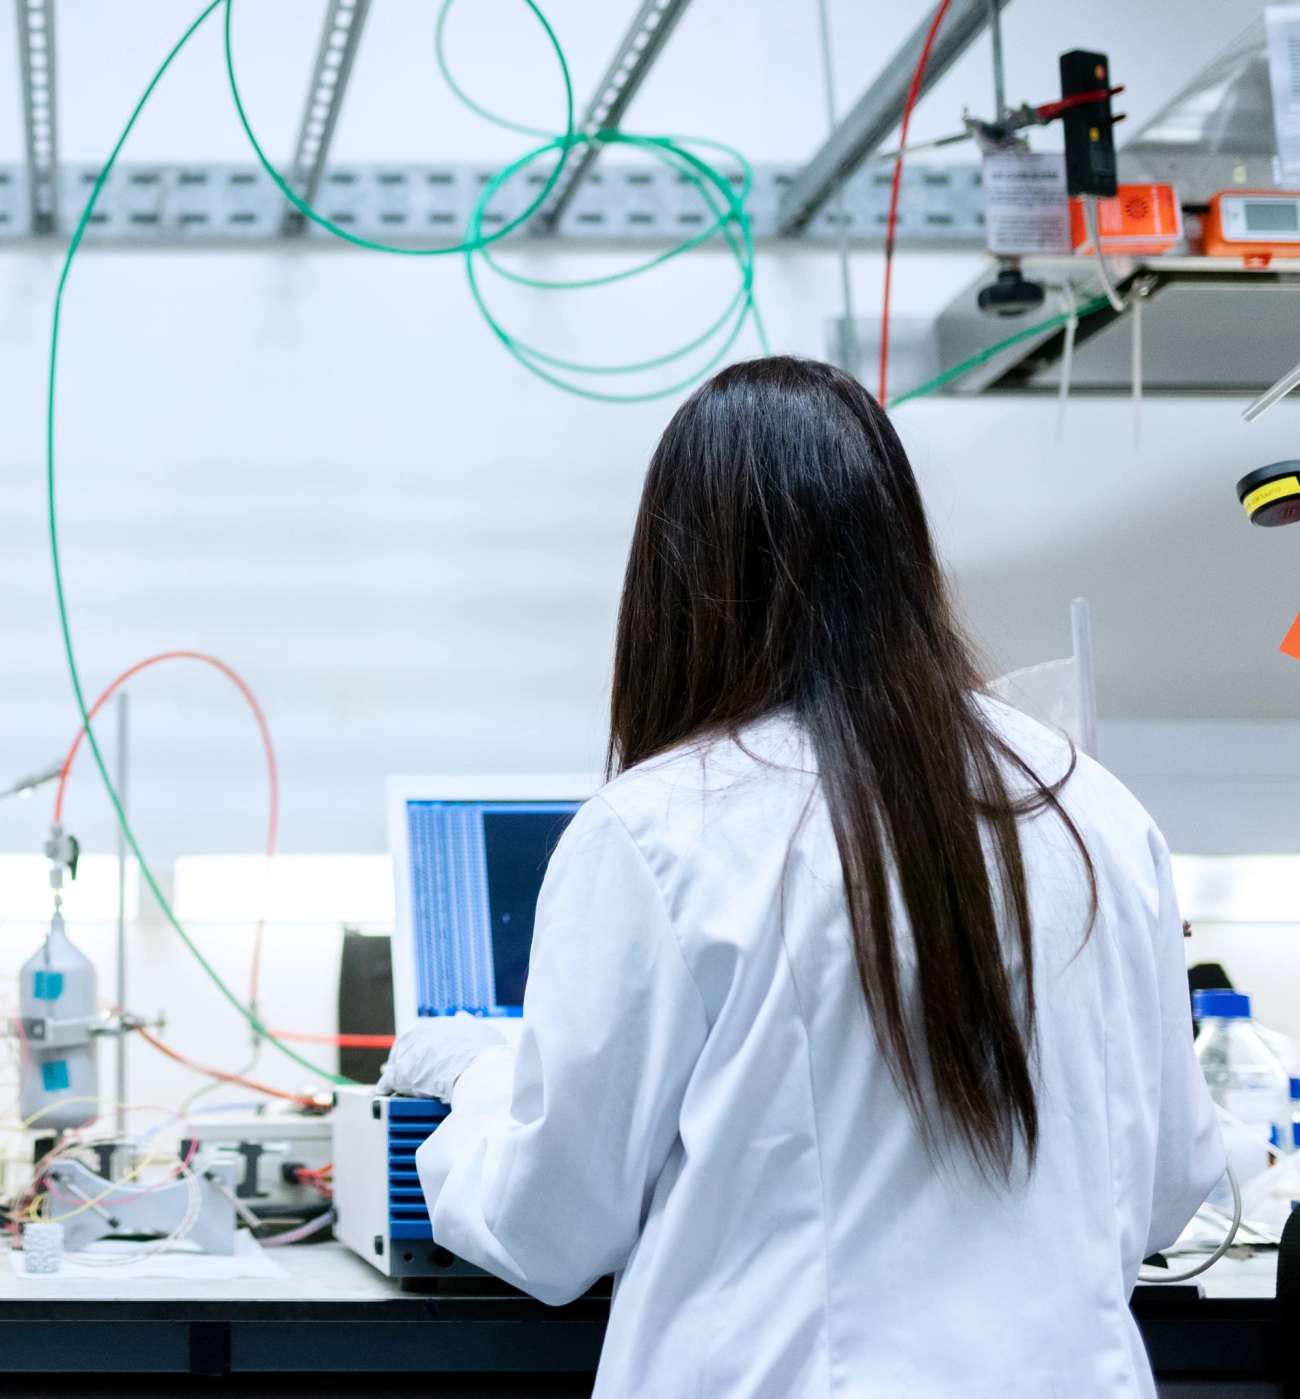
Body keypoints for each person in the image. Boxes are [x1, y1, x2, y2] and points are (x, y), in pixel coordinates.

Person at [379, 356, 1225, 1398]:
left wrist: (474, 1083)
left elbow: (551, 1226)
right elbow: (1166, 1190)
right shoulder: (1086, 806)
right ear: (902, 551)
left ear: (677, 581)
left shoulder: (661, 829)